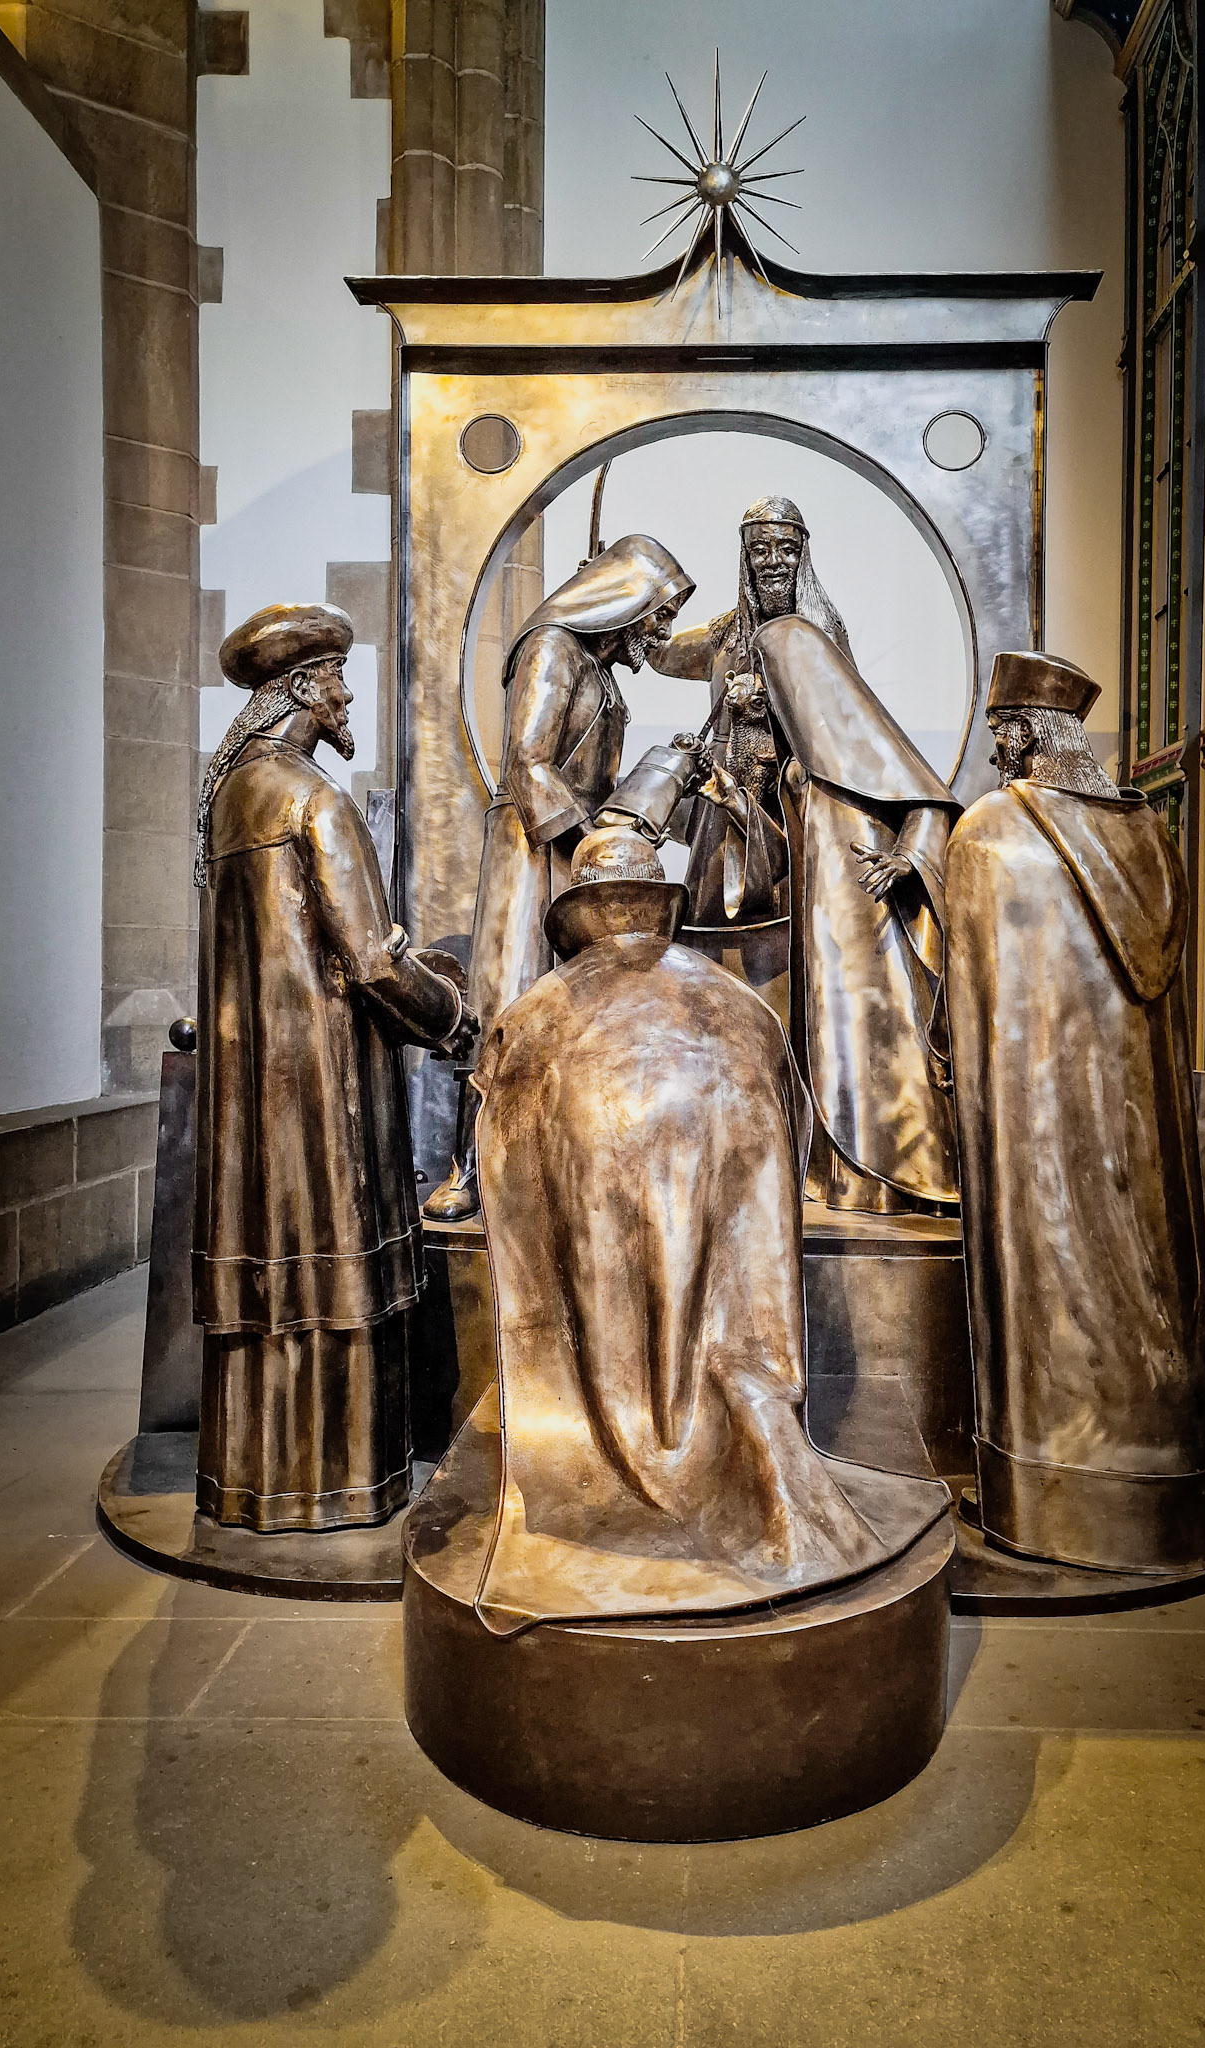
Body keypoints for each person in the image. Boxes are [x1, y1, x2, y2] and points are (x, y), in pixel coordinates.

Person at [460, 823, 949, 1633]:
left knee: (594, 1279)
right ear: (662, 909)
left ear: (576, 916)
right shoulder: (739, 1003)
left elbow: (498, 1153)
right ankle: (738, 1443)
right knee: (715, 1314)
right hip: (727, 1187)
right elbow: (788, 1145)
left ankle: (622, 1450)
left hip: (599, 1193)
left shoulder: (537, 1009)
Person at [943, 651, 1205, 1574]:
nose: (997, 753)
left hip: (1035, 1129)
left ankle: (1048, 1495)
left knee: (1044, 1274)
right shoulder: (1149, 834)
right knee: (1147, 1279)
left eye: (1002, 735)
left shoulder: (993, 831)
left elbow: (966, 996)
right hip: (1134, 1137)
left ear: (1027, 733)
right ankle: (1170, 1487)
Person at [192, 602, 477, 1533]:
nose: (346, 696)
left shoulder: (235, 800)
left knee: (270, 1274)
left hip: (249, 1095)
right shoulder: (314, 800)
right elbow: (375, 962)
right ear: (304, 690)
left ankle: (253, 1484)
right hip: (322, 1087)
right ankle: (347, 1482)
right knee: (329, 1260)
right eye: (338, 680)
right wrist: (455, 1016)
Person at [424, 533, 693, 1222]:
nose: (661, 632)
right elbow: (529, 763)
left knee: (585, 1016)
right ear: (624, 600)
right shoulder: (552, 647)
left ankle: (567, 1162)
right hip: (531, 851)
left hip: (577, 859)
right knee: (508, 1006)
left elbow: (597, 785)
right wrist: (586, 846)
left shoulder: (601, 673)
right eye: (658, 614)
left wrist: (661, 786)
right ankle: (472, 1170)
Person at [696, 615, 961, 1212]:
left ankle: (904, 1177)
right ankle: (843, 1178)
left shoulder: (860, 737)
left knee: (877, 1046)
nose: (764, 692)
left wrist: (907, 860)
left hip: (870, 923)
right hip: (821, 930)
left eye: (771, 678)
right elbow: (785, 851)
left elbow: (930, 803)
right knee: (829, 1044)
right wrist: (738, 802)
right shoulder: (802, 765)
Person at [651, 494, 852, 925]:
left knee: (791, 926)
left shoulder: (825, 634)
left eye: (787, 549)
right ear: (746, 558)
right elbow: (659, 650)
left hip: (792, 801)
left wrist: (768, 699)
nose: (774, 561)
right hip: (720, 804)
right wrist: (616, 600)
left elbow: (849, 724)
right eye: (760, 550)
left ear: (803, 556)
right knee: (711, 929)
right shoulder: (724, 633)